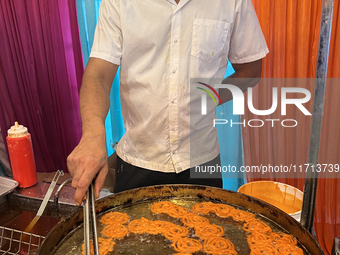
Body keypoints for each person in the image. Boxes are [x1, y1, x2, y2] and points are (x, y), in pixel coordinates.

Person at [67, 0, 269, 205]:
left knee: (208, 236)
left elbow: (250, 71)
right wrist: (93, 136)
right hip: (136, 160)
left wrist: (209, 98)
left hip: (201, 161)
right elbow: (99, 74)